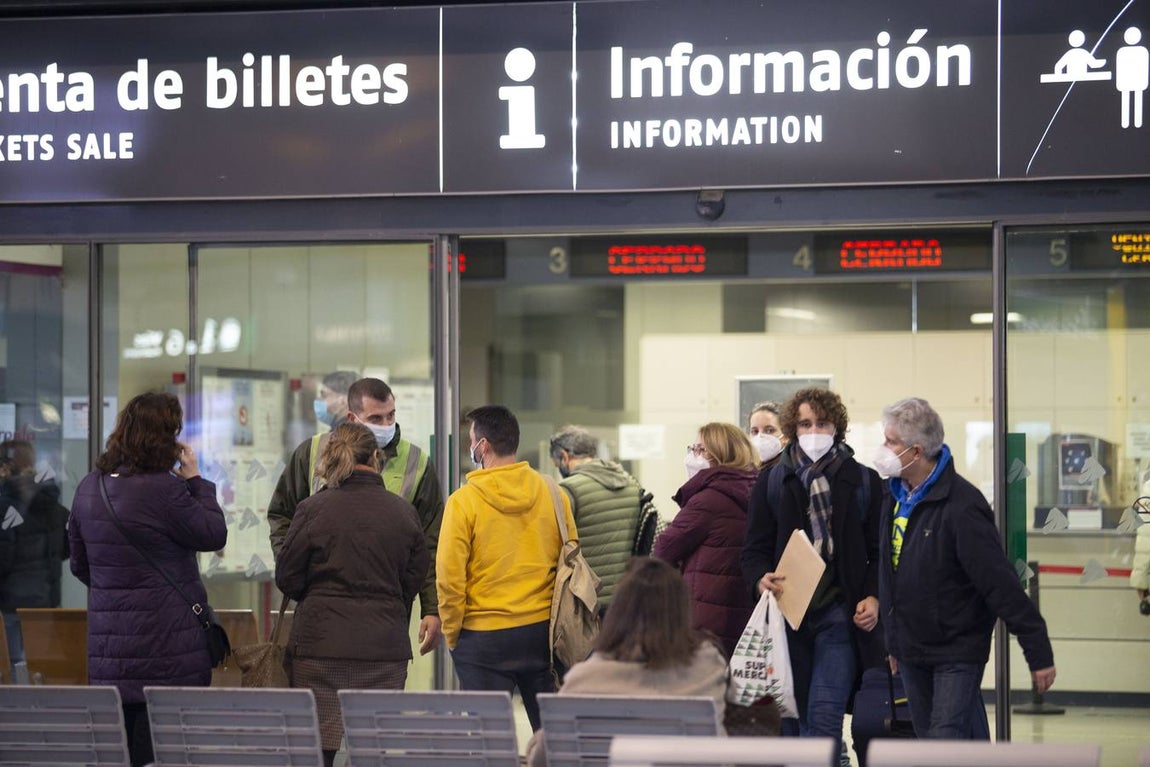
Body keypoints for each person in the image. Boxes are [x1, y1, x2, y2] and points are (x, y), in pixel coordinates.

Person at [876, 397, 1055, 739]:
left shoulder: (961, 505)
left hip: (955, 650)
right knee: (938, 740)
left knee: (944, 741)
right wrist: (893, 641)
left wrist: (1038, 650)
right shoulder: (894, 497)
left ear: (915, 452)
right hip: (911, 649)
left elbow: (998, 583)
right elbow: (890, 573)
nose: (884, 448)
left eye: (891, 441)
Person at [68, 392, 227, 767]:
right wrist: (197, 481)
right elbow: (212, 534)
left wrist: (117, 589)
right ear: (166, 437)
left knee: (120, 751)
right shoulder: (165, 489)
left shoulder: (91, 486)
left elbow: (79, 564)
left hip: (111, 653)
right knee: (164, 751)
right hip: (168, 649)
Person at [276, 422, 428, 767]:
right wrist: (388, 602)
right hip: (383, 651)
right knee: (372, 749)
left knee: (317, 749)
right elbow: (414, 577)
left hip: (319, 648)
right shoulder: (404, 512)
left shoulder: (313, 509)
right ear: (376, 458)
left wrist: (317, 597)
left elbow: (288, 576)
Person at [741, 387, 882, 761]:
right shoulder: (773, 482)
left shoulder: (864, 481)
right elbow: (753, 549)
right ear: (793, 428)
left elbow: (878, 552)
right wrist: (760, 578)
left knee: (824, 718)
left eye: (822, 423)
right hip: (788, 618)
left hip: (839, 614)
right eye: (805, 423)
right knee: (795, 720)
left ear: (837, 427)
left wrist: (873, 594)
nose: (814, 431)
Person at [268, 376, 444, 654]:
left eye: (391, 416)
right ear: (352, 417)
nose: (387, 425)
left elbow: (430, 542)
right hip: (322, 621)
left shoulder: (417, 463)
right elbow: (282, 515)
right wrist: (296, 574)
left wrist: (431, 608)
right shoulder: (313, 453)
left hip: (384, 623)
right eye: (376, 417)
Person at [436, 404, 576, 731]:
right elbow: (569, 557)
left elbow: (449, 576)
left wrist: (453, 632)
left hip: (482, 636)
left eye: (471, 440)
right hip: (541, 632)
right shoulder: (553, 493)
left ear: (482, 446)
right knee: (552, 738)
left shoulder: (463, 502)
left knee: (490, 743)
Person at [524, 557, 731, 767]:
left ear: (618, 612)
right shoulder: (709, 667)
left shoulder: (585, 679)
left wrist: (535, 742)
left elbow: (544, 756)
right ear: (681, 613)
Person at [654, 422, 759, 659]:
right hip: (740, 606)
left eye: (700, 450)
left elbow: (664, 548)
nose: (693, 456)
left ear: (718, 455)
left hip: (705, 613)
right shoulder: (753, 487)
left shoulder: (708, 499)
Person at [549, 425, 641, 612]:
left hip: (587, 601)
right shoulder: (631, 484)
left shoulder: (568, 489)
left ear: (565, 457)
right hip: (625, 598)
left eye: (557, 464)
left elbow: (554, 547)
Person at [0, 440, 70, 676]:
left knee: (13, 670)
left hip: (10, 605)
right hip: (46, 603)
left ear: (5, 469)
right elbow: (69, 545)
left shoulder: (5, 506)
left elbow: (3, 557)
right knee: (42, 670)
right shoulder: (51, 503)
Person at [748, 401, 787, 471]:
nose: (760, 436)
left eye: (769, 431)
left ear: (786, 436)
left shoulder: (788, 472)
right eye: (755, 431)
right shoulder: (746, 471)